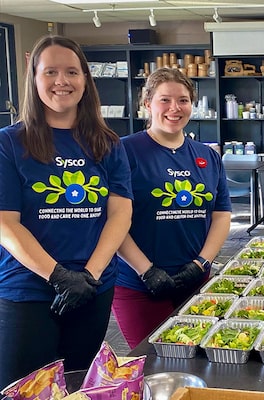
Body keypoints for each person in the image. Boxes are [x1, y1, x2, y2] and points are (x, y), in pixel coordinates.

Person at [0, 35, 133, 388]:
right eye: (51, 72)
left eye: (72, 72)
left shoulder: (108, 143)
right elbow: (5, 223)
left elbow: (120, 214)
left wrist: (89, 275)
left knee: (78, 385)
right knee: (24, 389)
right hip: (29, 290)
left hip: (94, 288)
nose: (62, 81)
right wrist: (58, 276)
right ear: (34, 78)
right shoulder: (9, 142)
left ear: (85, 79)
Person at [111, 67, 232, 349]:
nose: (174, 108)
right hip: (138, 285)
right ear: (147, 103)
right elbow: (113, 220)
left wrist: (201, 264)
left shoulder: (207, 155)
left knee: (199, 358)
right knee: (151, 360)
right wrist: (146, 271)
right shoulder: (123, 151)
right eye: (165, 100)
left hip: (195, 280)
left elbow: (221, 214)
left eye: (183, 100)